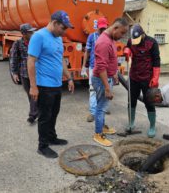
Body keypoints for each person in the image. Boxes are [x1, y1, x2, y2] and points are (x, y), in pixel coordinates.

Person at [27, 10, 75, 159]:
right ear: (54, 23)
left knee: (54, 113)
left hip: (56, 84)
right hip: (44, 85)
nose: (64, 31)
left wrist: (70, 78)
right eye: (63, 28)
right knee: (45, 116)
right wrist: (33, 86)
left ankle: (52, 137)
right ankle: (42, 146)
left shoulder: (58, 38)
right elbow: (31, 61)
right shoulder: (39, 37)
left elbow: (60, 59)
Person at [92, 18, 129, 147]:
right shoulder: (103, 42)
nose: (122, 36)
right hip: (102, 80)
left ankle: (102, 127)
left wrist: (114, 74)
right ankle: (98, 133)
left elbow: (109, 61)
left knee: (102, 106)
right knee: (101, 108)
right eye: (122, 33)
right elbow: (101, 67)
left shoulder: (110, 39)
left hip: (107, 78)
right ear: (115, 28)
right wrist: (107, 88)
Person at [122, 24, 160, 138]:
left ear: (143, 34)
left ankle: (152, 126)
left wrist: (155, 77)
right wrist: (127, 50)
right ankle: (131, 123)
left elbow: (157, 61)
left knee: (149, 103)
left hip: (147, 78)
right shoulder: (131, 41)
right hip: (134, 77)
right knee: (131, 101)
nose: (135, 42)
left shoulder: (152, 43)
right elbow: (126, 48)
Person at [81, 17, 110, 122]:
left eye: (104, 28)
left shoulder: (109, 37)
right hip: (94, 67)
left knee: (105, 88)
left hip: (106, 68)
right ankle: (93, 112)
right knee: (93, 90)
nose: (102, 30)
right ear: (97, 27)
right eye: (101, 28)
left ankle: (103, 108)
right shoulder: (91, 37)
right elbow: (87, 52)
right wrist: (84, 67)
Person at [10, 23, 38, 124]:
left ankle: (33, 115)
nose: (32, 33)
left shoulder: (36, 42)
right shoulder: (17, 44)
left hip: (36, 73)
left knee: (36, 93)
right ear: (23, 33)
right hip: (24, 73)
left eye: (32, 31)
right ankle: (35, 112)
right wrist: (14, 73)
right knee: (30, 94)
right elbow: (14, 58)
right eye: (30, 32)